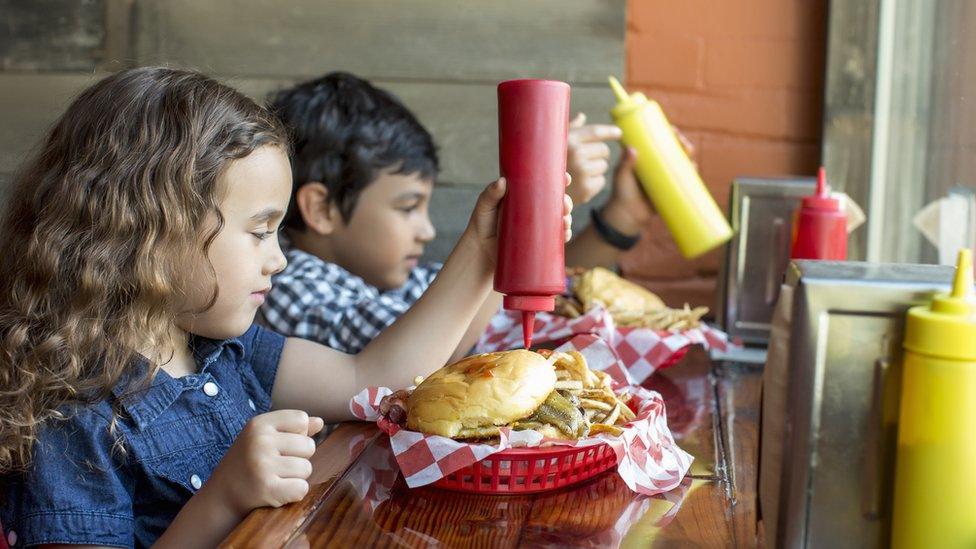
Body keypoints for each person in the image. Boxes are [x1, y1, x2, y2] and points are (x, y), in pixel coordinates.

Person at [0, 67, 572, 547]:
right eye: (259, 231)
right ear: (151, 232)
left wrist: (483, 249)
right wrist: (224, 496)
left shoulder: (225, 349)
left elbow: (375, 379)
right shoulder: (69, 421)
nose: (278, 260)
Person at [261, 72, 655, 357]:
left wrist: (618, 221)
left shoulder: (398, 281)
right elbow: (425, 361)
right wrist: (531, 199)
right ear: (321, 208)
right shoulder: (291, 290)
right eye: (408, 207)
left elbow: (501, 300)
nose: (427, 230)